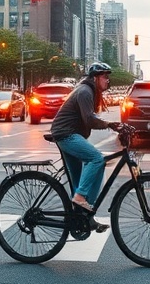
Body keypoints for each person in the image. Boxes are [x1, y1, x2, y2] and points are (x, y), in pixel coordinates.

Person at [48, 62, 121, 220]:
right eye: (104, 77)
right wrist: (109, 124)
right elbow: (89, 120)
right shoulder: (85, 92)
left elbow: (89, 118)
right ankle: (81, 198)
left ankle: (83, 215)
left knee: (86, 174)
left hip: (70, 134)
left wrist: (112, 125)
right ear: (95, 78)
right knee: (96, 159)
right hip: (67, 135)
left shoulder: (89, 91)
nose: (107, 80)